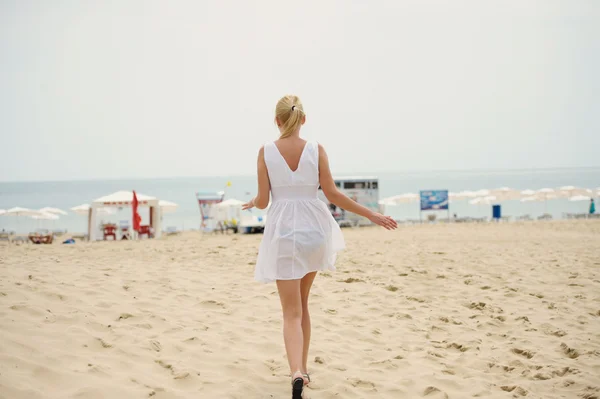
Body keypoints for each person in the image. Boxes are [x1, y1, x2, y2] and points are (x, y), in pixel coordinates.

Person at [242, 95, 397, 398]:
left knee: (291, 312)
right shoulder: (317, 150)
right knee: (303, 304)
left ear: (277, 120)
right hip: (315, 230)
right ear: (303, 119)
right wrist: (372, 214)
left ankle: (296, 371)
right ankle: (304, 369)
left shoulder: (265, 152)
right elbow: (333, 194)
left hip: (285, 232)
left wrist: (252, 202)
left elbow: (263, 201)